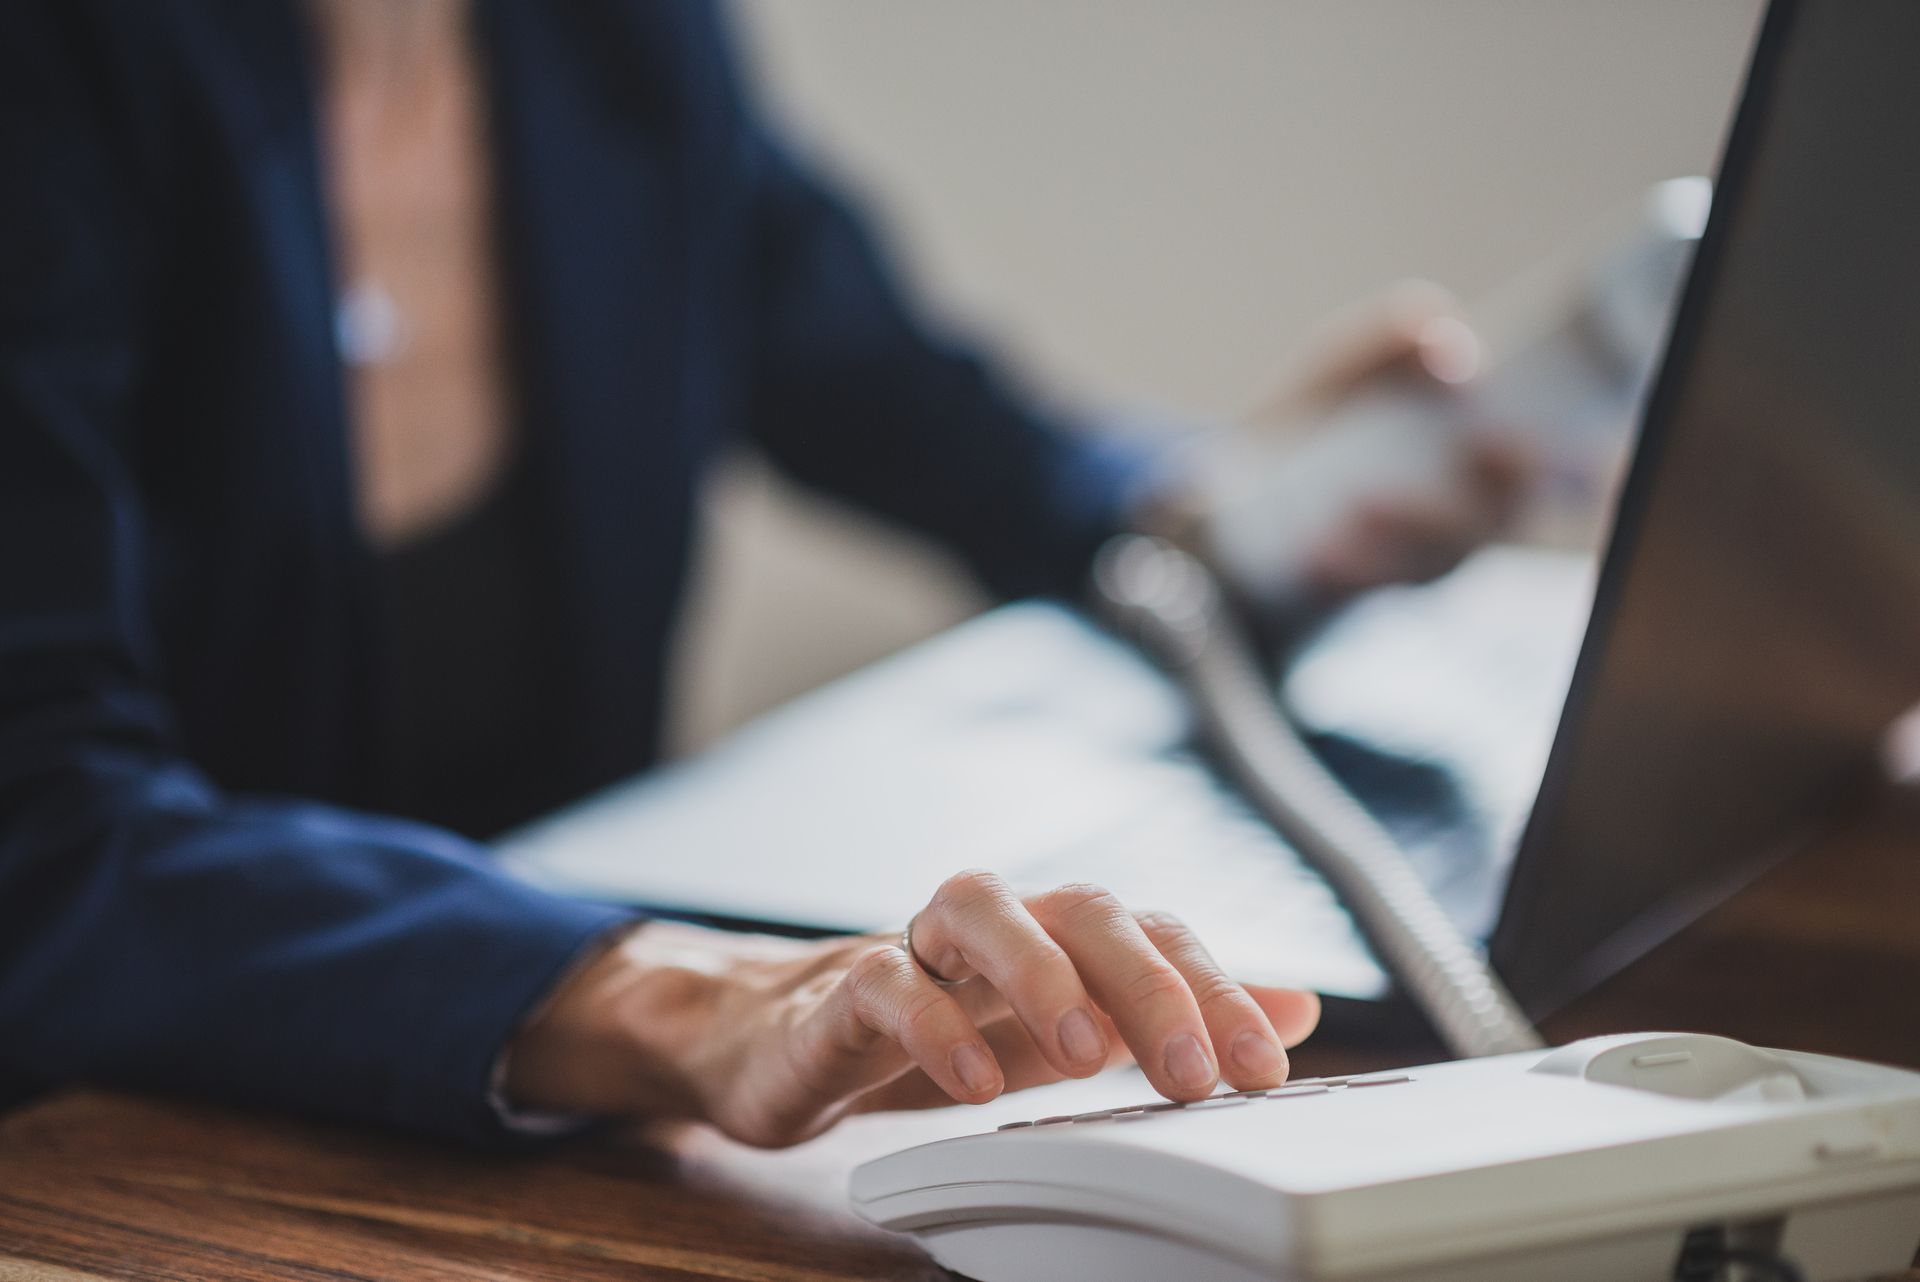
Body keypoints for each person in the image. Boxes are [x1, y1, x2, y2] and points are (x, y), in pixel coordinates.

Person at [0, 0, 1518, 1148]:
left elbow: (949, 429)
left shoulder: (606, 39)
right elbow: (36, 832)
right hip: (109, 1153)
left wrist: (1259, 510)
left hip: (546, 1155)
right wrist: (666, 998)